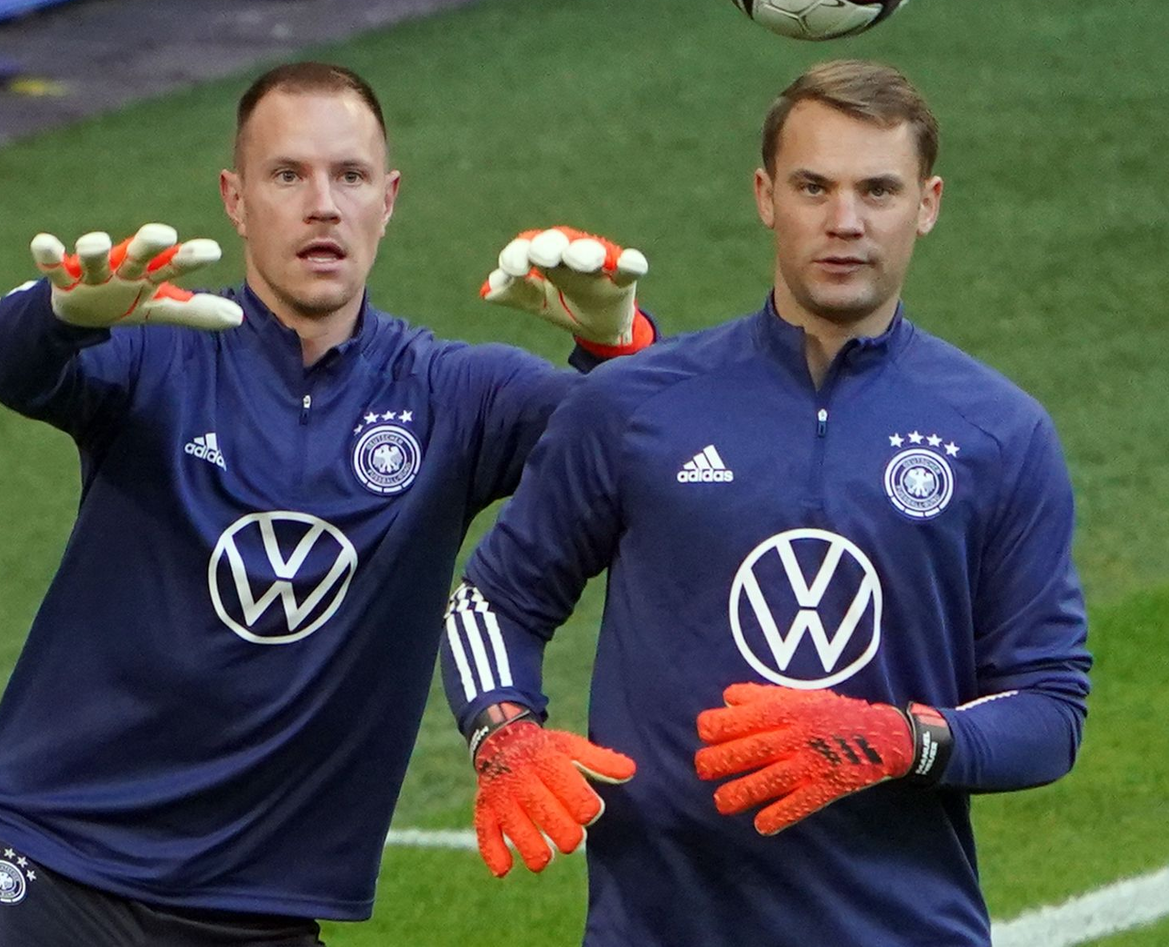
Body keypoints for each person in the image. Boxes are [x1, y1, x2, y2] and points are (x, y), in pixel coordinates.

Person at [0, 61, 654, 946]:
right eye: (288, 175)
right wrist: (61, 313)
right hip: (47, 864)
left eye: (351, 176)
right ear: (236, 197)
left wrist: (615, 344)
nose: (322, 204)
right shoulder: (158, 350)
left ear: (389, 199)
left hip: (260, 913)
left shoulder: (455, 394)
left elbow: (642, 457)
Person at [441, 59, 1091, 946]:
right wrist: (503, 734)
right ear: (764, 194)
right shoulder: (634, 404)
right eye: (814, 186)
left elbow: (1049, 708)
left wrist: (902, 738)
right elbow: (495, 601)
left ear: (928, 203)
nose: (845, 221)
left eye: (879, 190)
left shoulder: (998, 434)